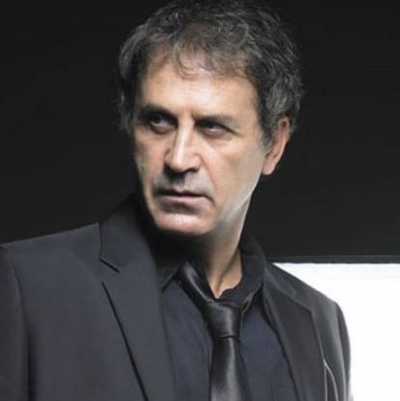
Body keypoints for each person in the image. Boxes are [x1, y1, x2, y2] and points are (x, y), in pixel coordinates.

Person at [0, 0, 351, 400]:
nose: (179, 158)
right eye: (158, 121)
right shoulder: (28, 288)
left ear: (275, 145)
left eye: (212, 127)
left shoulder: (319, 321)